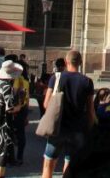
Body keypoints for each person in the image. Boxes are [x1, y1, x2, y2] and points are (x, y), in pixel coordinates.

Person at [41, 49, 94, 178]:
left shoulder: (56, 78)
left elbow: (46, 104)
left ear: (66, 61)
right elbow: (90, 111)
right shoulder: (87, 81)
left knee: (49, 164)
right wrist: (90, 129)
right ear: (80, 62)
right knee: (70, 166)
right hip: (77, 129)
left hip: (58, 128)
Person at [0, 59, 24, 178]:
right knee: (2, 156)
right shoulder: (7, 87)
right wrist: (20, 105)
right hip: (2, 125)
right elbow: (10, 108)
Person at [5, 54, 30, 166]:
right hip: (23, 108)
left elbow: (15, 93)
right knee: (21, 134)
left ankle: (10, 156)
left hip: (15, 108)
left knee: (10, 132)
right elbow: (27, 98)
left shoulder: (17, 79)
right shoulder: (26, 81)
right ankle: (20, 156)